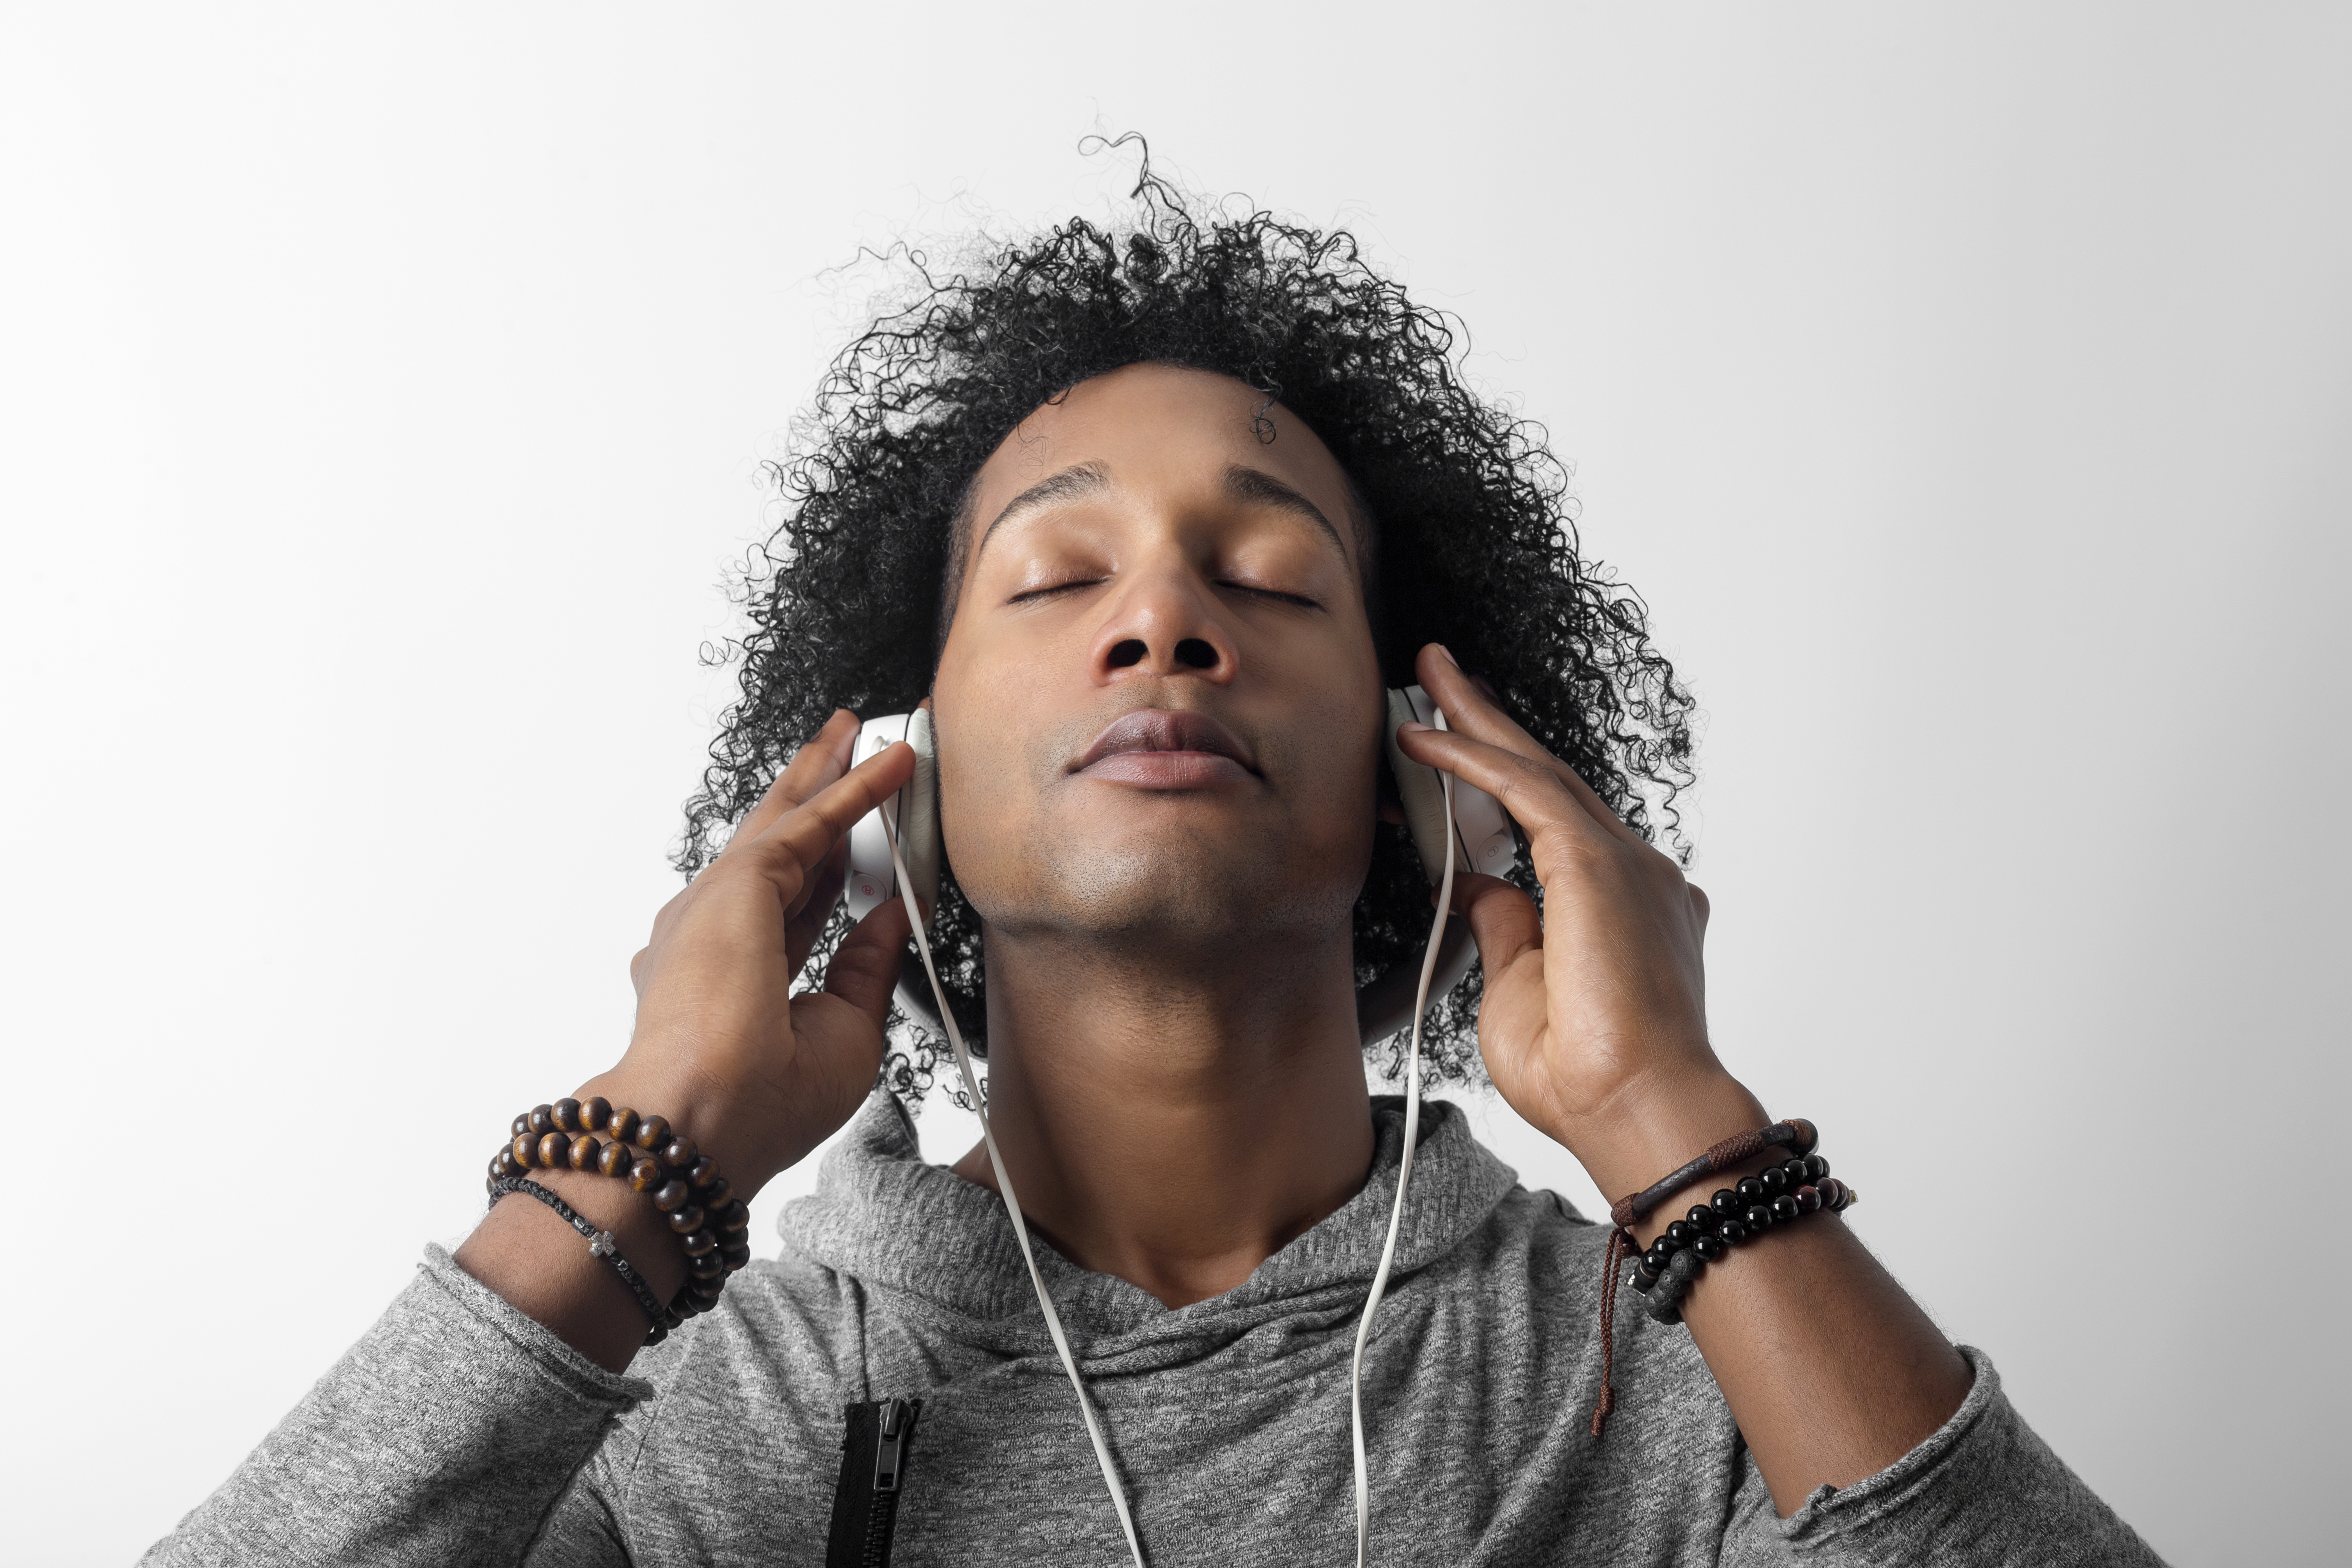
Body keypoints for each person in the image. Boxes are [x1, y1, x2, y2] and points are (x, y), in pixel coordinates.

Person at [146, 161, 2161, 1566]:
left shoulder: (1684, 1375)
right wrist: (641, 1142)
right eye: (1053, 575)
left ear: (1426, 775)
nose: (1165, 621)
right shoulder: (682, 1413)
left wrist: (1669, 1124)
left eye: (1269, 573)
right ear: (901, 779)